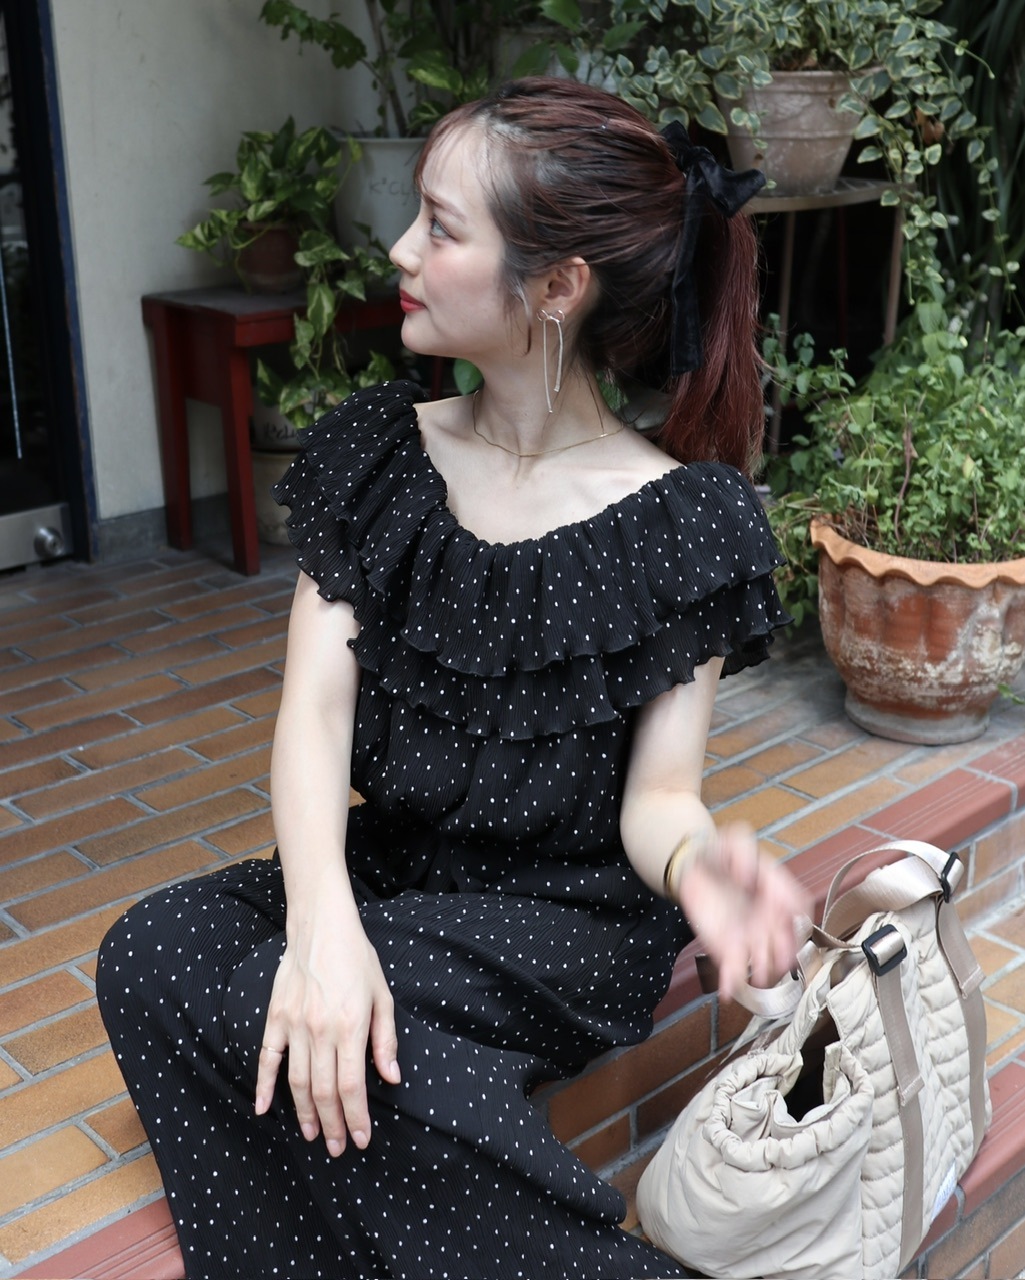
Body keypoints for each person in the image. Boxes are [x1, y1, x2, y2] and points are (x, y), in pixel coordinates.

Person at [97, 76, 809, 1279]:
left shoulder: (683, 519)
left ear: (554, 286)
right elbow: (313, 718)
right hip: (395, 873)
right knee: (153, 949)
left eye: (439, 226)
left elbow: (658, 799)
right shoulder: (378, 455)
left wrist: (701, 865)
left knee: (316, 1019)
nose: (399, 249)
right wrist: (323, 925)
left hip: (565, 918)